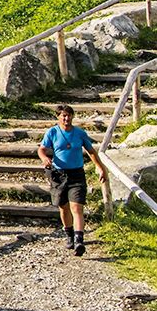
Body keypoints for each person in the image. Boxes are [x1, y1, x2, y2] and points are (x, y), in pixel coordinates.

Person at [39, 104, 111, 256]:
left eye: (69, 115)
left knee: (77, 207)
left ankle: (79, 240)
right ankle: (69, 235)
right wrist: (45, 158)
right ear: (58, 117)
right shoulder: (52, 132)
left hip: (77, 174)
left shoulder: (79, 133)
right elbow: (42, 149)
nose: (67, 118)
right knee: (63, 207)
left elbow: (91, 151)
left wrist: (100, 167)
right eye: (63, 115)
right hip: (59, 175)